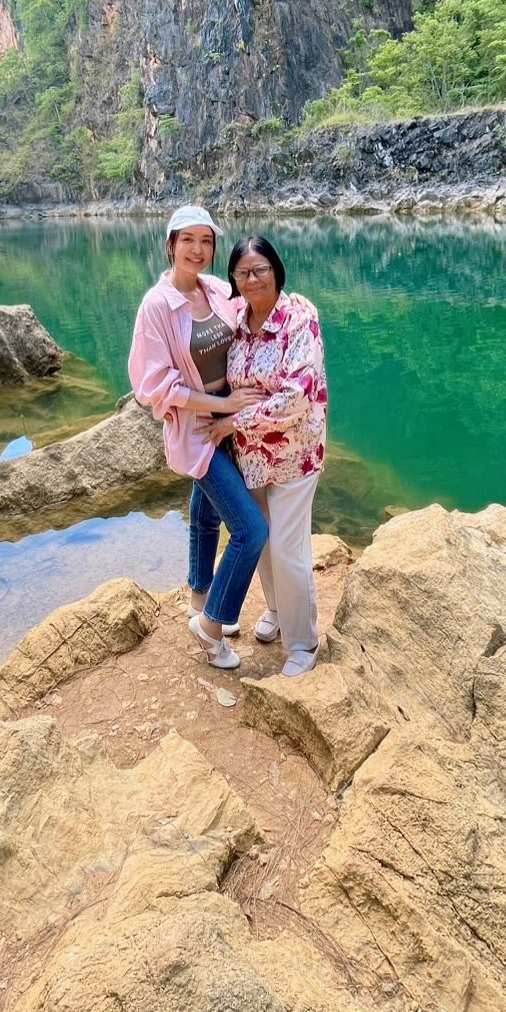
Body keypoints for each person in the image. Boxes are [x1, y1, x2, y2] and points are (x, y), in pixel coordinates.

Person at [128, 205, 267, 669]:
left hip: (231, 420)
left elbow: (253, 315)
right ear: (170, 245)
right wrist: (224, 405)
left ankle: (198, 597)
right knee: (251, 530)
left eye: (206, 241)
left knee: (206, 515)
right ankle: (210, 627)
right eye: (187, 240)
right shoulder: (156, 306)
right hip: (199, 426)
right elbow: (154, 385)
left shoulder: (216, 290)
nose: (198, 249)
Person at [206, 236, 327, 677]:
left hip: (295, 454)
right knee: (263, 542)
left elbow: (297, 397)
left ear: (276, 271)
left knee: (289, 549)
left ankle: (303, 643)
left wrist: (234, 421)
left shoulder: (300, 319)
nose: (252, 279)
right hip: (252, 457)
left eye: (260, 270)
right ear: (233, 279)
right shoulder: (236, 321)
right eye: (242, 272)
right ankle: (276, 611)